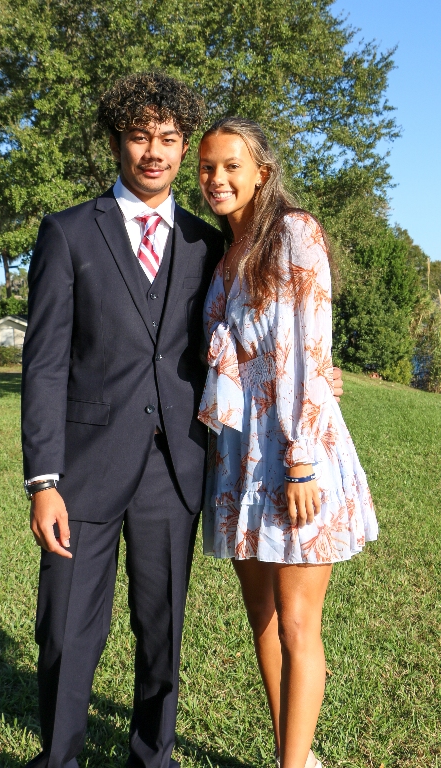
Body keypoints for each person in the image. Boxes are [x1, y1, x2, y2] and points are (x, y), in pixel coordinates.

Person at [21, 71, 344, 768]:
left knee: (162, 635)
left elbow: (260, 340)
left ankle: (153, 757)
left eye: (169, 139)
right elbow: (43, 365)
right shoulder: (67, 233)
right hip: (83, 470)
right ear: (117, 141)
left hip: (177, 470)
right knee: (66, 632)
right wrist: (43, 480)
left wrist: (318, 389)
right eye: (140, 136)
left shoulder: (208, 244)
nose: (154, 152)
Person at [197, 117, 378, 768]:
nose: (216, 178)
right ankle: (293, 756)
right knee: (263, 621)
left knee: (298, 625)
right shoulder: (223, 253)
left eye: (231, 166)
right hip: (239, 458)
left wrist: (301, 460)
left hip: (296, 450)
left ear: (262, 173)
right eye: (207, 167)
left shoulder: (294, 233)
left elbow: (310, 347)